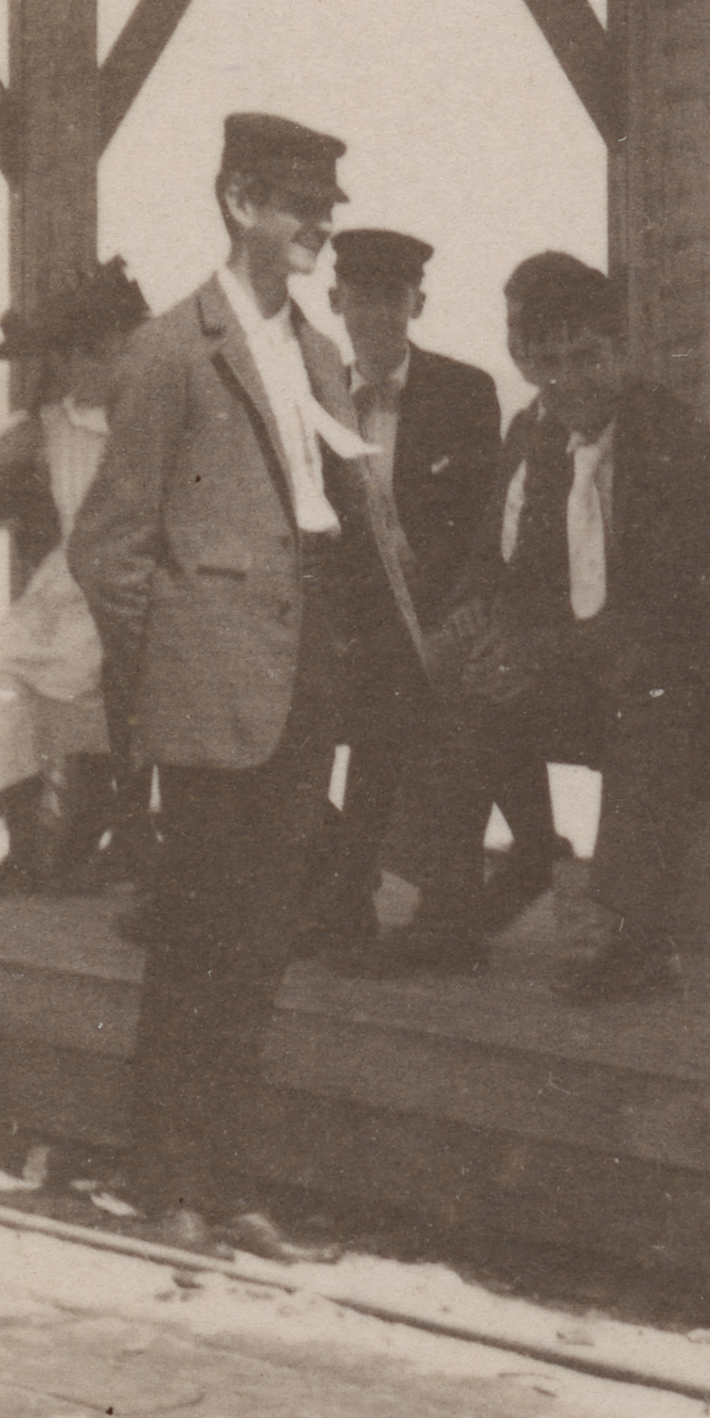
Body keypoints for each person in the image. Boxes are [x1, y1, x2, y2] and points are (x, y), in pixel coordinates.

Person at [65, 110, 380, 1214]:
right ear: (241, 202)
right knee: (197, 947)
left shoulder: (322, 353)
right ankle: (169, 1186)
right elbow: (108, 546)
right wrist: (177, 667)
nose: (321, 225)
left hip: (303, 686)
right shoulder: (169, 350)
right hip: (215, 697)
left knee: (259, 950)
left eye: (329, 205)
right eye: (301, 202)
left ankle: (227, 1184)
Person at [366, 252, 710, 1006]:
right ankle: (446, 914)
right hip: (620, 646)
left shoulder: (670, 441)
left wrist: (538, 652)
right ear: (523, 360)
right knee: (468, 679)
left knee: (647, 690)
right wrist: (473, 621)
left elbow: (669, 610)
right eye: (548, 363)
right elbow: (498, 559)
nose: (570, 381)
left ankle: (636, 937)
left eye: (588, 358)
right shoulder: (534, 433)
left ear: (622, 351)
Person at [290, 226, 528, 956]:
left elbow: (480, 530)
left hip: (431, 613)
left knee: (393, 692)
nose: (376, 316)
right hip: (341, 614)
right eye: (360, 299)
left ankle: (350, 889)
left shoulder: (463, 391)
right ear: (334, 301)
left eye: (392, 300)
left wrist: (442, 615)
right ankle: (333, 876)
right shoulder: (310, 393)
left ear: (416, 304)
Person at [0, 257, 147, 894]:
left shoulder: (152, 425)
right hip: (64, 590)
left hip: (131, 587)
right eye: (78, 355)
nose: (89, 368)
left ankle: (98, 842)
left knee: (96, 697)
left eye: (103, 353)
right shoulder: (45, 427)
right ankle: (26, 848)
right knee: (7, 684)